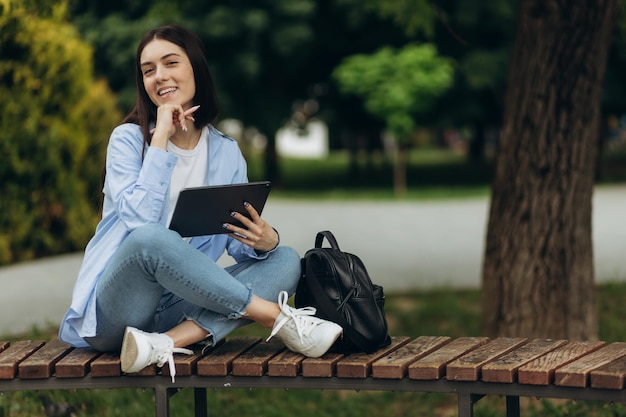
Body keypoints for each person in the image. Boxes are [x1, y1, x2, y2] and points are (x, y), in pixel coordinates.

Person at [58, 25, 342, 381]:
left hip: (179, 307)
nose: (159, 76)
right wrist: (160, 134)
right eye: (148, 70)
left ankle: (162, 343)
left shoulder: (225, 152)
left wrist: (263, 241)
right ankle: (276, 317)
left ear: (195, 67)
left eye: (170, 62)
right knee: (152, 239)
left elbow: (234, 243)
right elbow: (141, 224)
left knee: (284, 259)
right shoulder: (128, 140)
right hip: (118, 310)